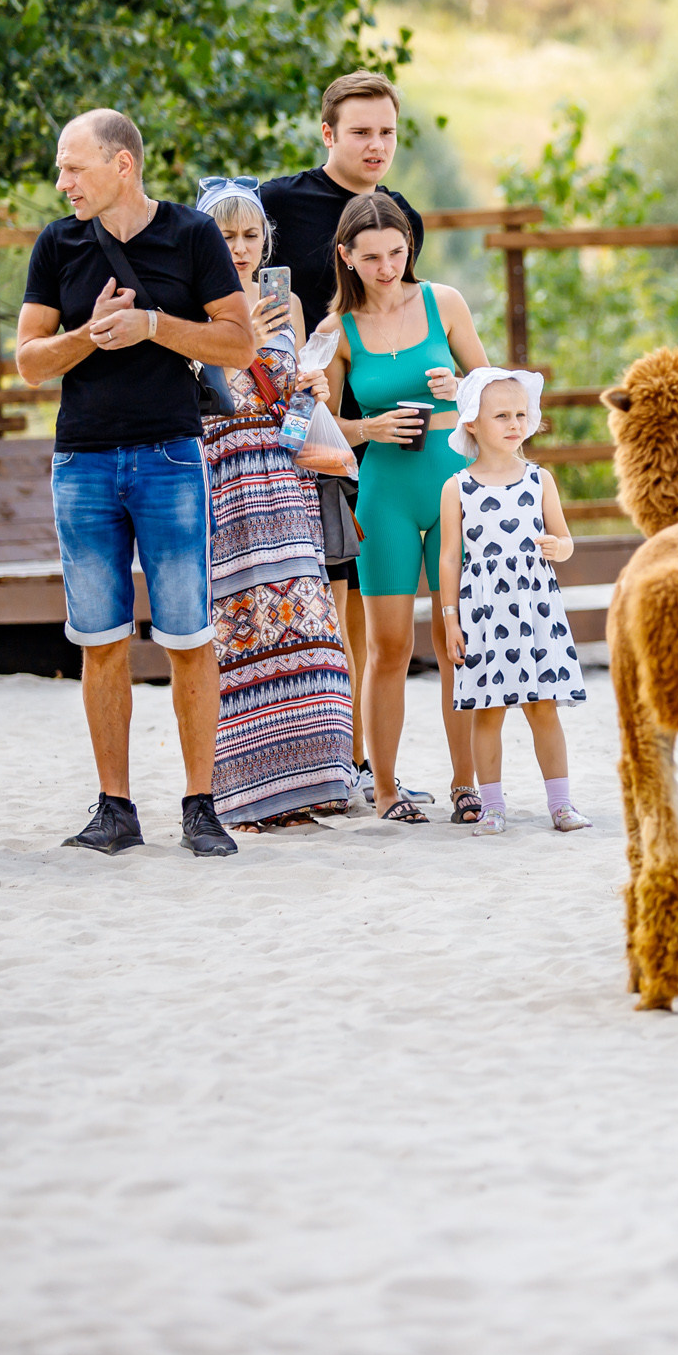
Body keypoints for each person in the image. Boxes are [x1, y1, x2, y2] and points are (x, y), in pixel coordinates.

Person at [16, 109, 257, 857]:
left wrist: (154, 324)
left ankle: (200, 806)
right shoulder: (57, 243)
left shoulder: (192, 234)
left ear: (122, 164)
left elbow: (241, 341)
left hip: (171, 458)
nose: (63, 183)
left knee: (189, 636)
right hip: (81, 461)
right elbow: (27, 361)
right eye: (62, 169)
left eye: (73, 167)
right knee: (100, 640)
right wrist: (88, 335)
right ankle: (114, 809)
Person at [258, 71, 424, 808]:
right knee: (312, 603)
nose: (376, 145)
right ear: (328, 134)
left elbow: (405, 318)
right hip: (296, 428)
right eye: (361, 132)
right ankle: (313, 762)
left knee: (360, 599)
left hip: (380, 441)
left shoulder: (400, 214)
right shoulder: (277, 201)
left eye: (386, 131)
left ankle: (355, 763)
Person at [318, 192, 493, 824]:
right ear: (347, 257)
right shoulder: (335, 332)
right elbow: (323, 428)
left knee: (458, 643)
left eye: (397, 252)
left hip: (453, 490)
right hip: (384, 493)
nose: (388, 266)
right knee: (389, 647)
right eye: (372, 257)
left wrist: (464, 389)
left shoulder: (444, 302)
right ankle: (387, 790)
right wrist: (371, 430)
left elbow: (501, 398)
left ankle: (465, 784)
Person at [194, 180, 357, 831]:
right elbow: (200, 403)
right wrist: (237, 344)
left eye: (250, 235)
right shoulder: (187, 305)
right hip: (223, 486)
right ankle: (243, 798)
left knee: (308, 636)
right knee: (241, 642)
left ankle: (302, 790)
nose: (239, 247)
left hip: (285, 487)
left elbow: (288, 418)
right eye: (226, 235)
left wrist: (309, 384)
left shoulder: (281, 303)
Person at [440, 367, 588, 834]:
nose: (514, 424)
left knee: (543, 706)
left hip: (534, 609)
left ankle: (561, 805)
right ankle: (493, 806)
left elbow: (564, 540)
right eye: (501, 415)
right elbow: (449, 559)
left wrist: (558, 548)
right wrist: (450, 619)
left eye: (521, 414)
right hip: (483, 613)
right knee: (488, 711)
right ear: (471, 423)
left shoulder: (540, 480)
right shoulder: (457, 487)